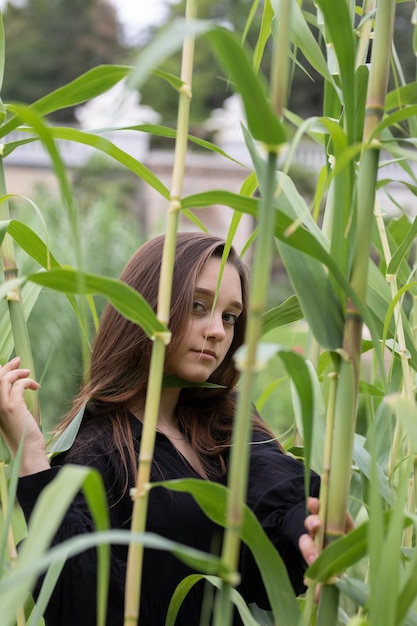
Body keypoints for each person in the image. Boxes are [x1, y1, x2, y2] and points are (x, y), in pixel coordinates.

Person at [0, 232, 323, 626]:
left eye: (229, 316)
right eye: (197, 306)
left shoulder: (225, 418)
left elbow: (269, 479)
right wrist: (33, 460)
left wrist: (304, 522)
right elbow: (83, 603)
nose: (218, 331)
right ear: (146, 309)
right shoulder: (96, 448)